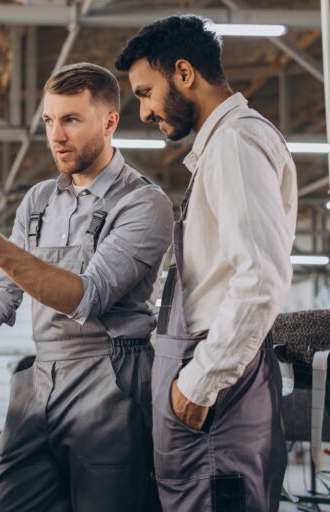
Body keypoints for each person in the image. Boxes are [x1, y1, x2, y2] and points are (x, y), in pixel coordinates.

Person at [0, 62, 173, 511]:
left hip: (112, 384)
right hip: (42, 379)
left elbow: (87, 296)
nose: (56, 135)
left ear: (109, 122)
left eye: (71, 120)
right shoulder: (40, 200)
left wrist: (4, 252)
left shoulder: (143, 202)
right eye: (49, 120)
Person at [115, 15, 297, 511]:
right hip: (207, 391)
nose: (146, 111)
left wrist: (199, 384)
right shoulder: (220, 146)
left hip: (216, 396)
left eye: (145, 92)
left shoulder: (236, 143)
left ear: (184, 73)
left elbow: (261, 277)